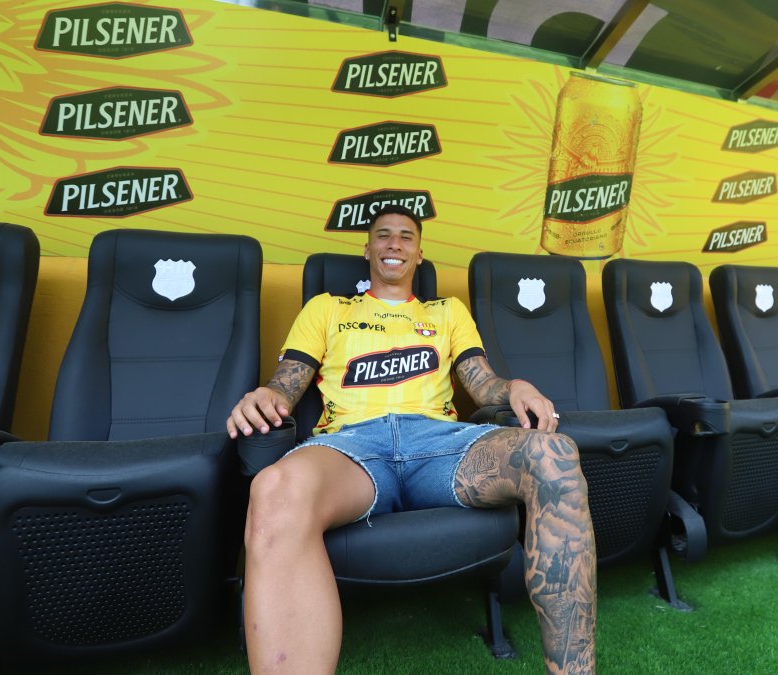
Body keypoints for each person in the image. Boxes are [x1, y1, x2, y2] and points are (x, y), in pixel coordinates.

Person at [228, 205, 596, 675]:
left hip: (441, 444)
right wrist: (265, 394)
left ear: (419, 254)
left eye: (406, 237)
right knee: (273, 489)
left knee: (555, 455)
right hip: (352, 448)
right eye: (383, 236)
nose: (394, 244)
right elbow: (287, 383)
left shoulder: (446, 312)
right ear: (367, 249)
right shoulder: (327, 308)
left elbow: (483, 385)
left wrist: (515, 387)